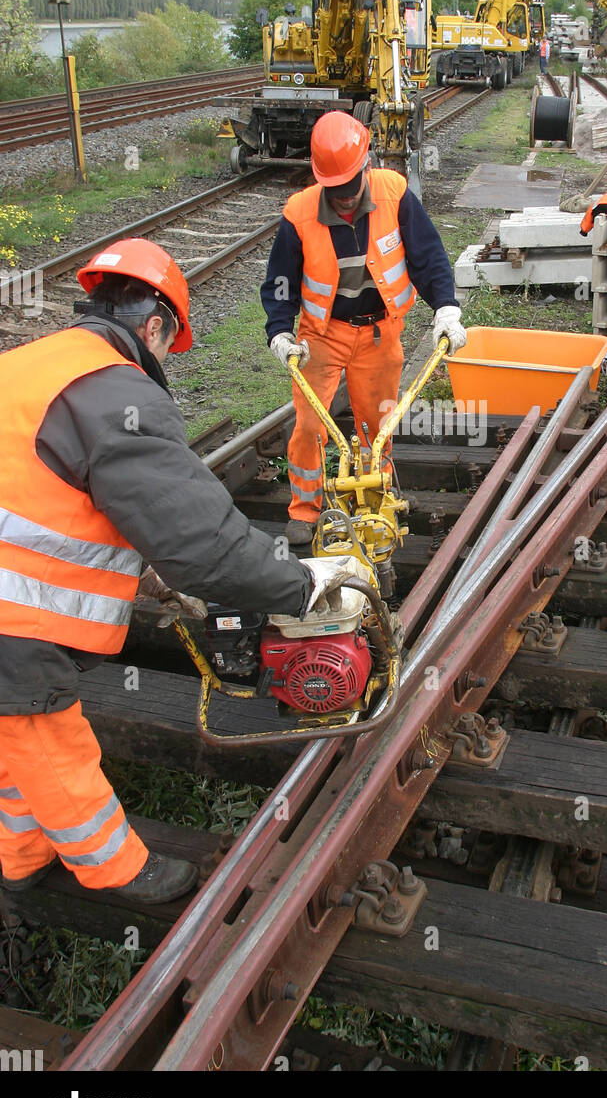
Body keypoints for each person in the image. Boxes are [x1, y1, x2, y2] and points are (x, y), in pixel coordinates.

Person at [0, 240, 352, 905]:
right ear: (155, 326)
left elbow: (42, 501)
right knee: (47, 737)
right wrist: (302, 586)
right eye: (169, 346)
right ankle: (118, 872)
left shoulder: (32, 364)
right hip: (12, 621)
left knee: (11, 745)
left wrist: (149, 580)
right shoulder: (111, 390)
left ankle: (18, 863)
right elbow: (205, 544)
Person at [261, 111, 467, 545]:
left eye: (350, 189)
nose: (345, 199)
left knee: (377, 426)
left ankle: (377, 496)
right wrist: (280, 330)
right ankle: (305, 509)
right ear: (321, 181)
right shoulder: (298, 215)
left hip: (378, 333)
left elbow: (428, 257)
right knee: (311, 427)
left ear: (366, 168)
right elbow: (280, 280)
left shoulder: (395, 194)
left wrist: (446, 308)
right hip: (321, 336)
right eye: (334, 191)